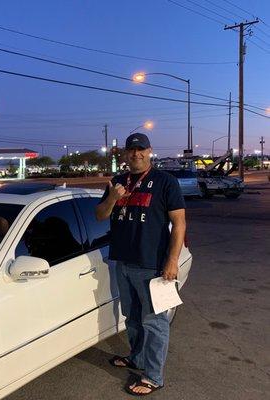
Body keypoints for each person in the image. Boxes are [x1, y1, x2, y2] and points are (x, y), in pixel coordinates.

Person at [95, 133, 186, 396]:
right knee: (131, 317)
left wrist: (172, 261)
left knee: (155, 323)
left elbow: (179, 224)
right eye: (131, 150)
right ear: (125, 154)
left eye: (141, 149)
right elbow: (100, 215)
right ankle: (137, 358)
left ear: (149, 151)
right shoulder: (117, 182)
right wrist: (113, 197)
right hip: (122, 262)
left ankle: (153, 376)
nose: (136, 154)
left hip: (153, 266)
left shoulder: (165, 182)